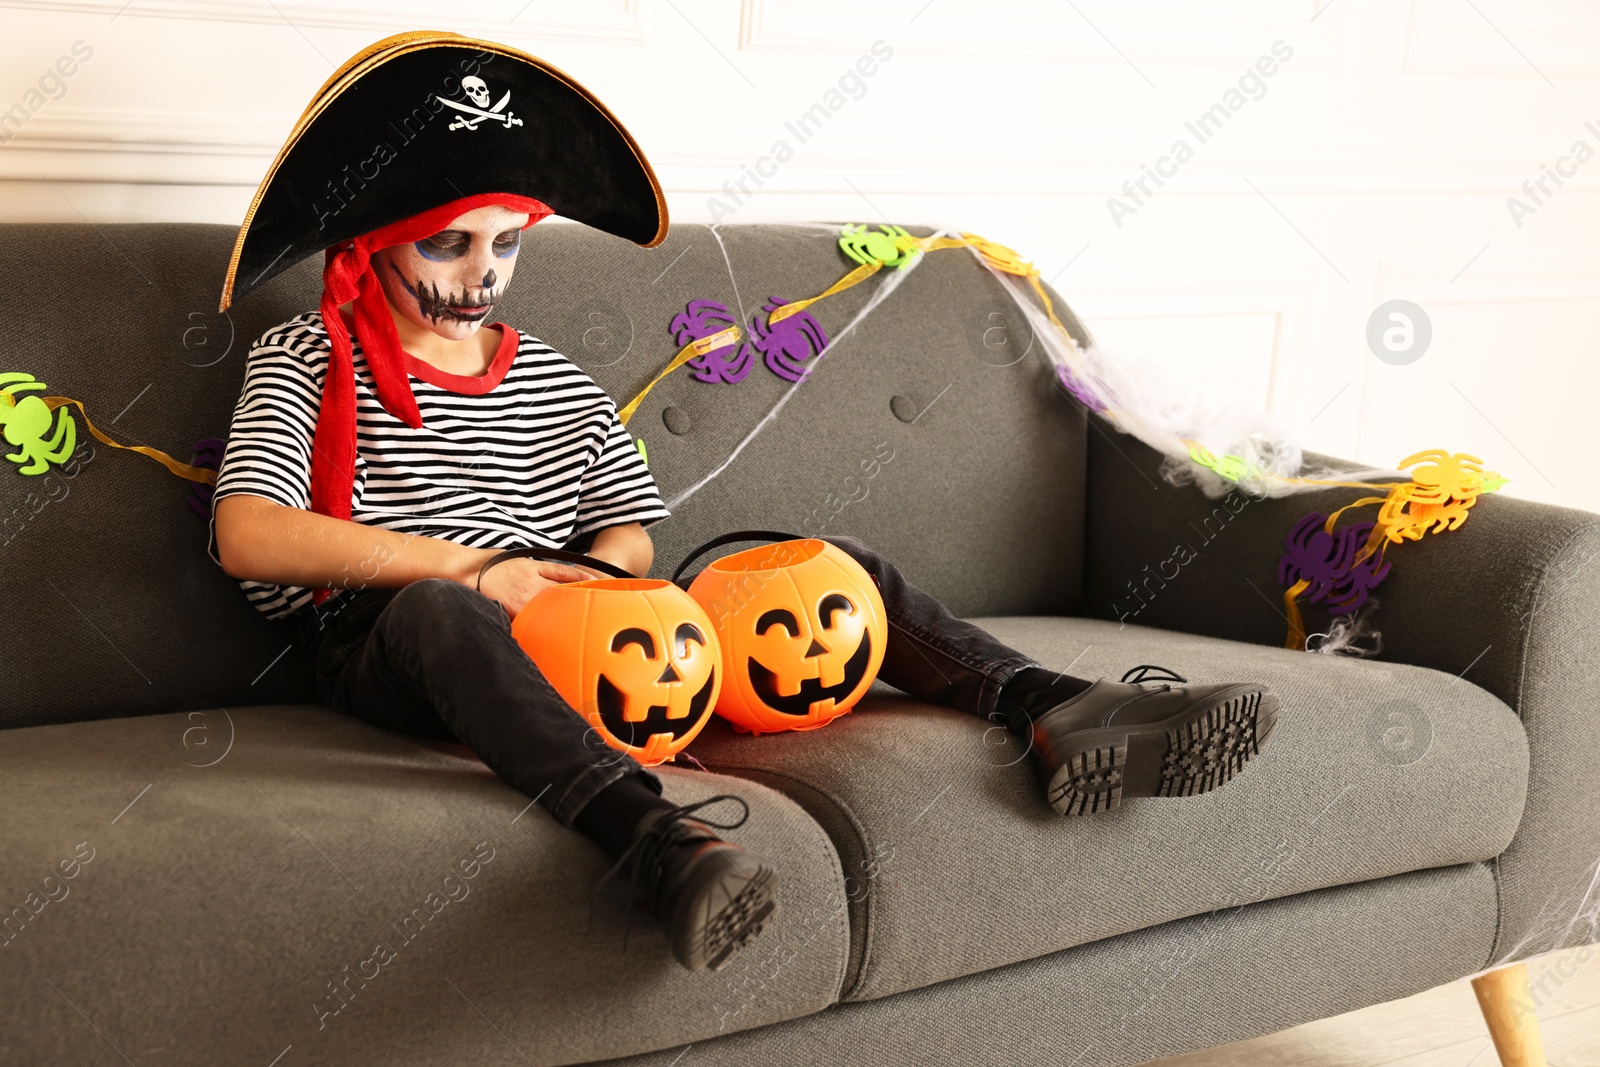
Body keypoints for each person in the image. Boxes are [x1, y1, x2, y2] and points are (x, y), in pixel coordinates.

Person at [208, 31, 1281, 975]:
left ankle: (1053, 706)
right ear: (376, 239)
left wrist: (609, 580)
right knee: (442, 617)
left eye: (504, 243)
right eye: (448, 242)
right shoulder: (305, 353)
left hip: (566, 615)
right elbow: (247, 532)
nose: (481, 272)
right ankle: (659, 845)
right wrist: (469, 571)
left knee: (822, 566)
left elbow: (626, 523)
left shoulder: (547, 373)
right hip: (397, 632)